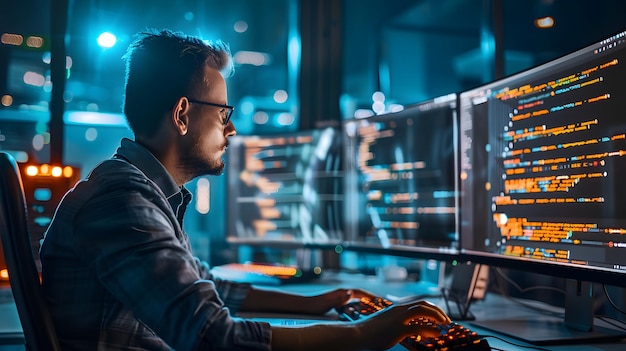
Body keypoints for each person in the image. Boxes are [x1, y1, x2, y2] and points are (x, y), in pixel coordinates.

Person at [40, 28, 450, 351]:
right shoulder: (123, 202)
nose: (231, 128)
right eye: (223, 112)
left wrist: (320, 302)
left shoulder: (141, 192)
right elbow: (213, 336)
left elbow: (208, 288)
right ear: (182, 114)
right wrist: (364, 335)